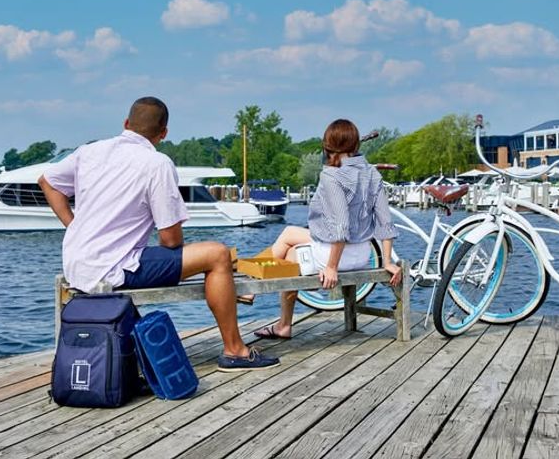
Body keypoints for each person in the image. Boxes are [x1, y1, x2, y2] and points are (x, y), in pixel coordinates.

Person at [39, 96, 278, 372]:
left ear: (126, 124)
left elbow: (47, 182)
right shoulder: (157, 163)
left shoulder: (90, 151)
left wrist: (75, 226)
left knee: (207, 261)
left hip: (77, 263)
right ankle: (235, 350)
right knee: (218, 255)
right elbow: (171, 241)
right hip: (113, 268)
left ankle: (226, 301)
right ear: (163, 133)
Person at [252, 118, 400, 340]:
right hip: (363, 255)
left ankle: (255, 291)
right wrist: (387, 261)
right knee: (291, 249)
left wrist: (331, 267)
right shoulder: (372, 173)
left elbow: (340, 227)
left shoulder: (331, 176)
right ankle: (277, 318)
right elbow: (385, 222)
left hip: (336, 256)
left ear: (329, 146)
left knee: (289, 241)